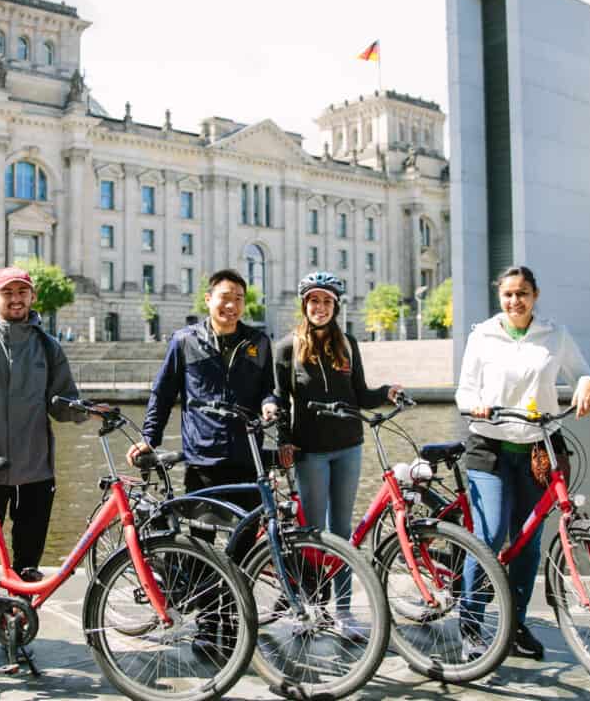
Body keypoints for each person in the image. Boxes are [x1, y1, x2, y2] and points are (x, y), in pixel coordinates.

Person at [456, 265, 590, 660]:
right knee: (489, 535)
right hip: (491, 445)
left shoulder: (554, 334)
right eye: (508, 295)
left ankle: (516, 624)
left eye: (522, 294)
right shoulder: (483, 335)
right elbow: (464, 391)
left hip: (539, 448)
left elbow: (584, 372)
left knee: (527, 543)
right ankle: (471, 626)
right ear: (499, 297)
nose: (515, 301)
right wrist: (476, 407)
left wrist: (586, 386)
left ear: (535, 295)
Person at [271, 272, 401, 638]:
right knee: (312, 536)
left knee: (342, 532)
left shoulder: (348, 345)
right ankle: (311, 608)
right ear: (304, 306)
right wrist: (283, 439)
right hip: (309, 450)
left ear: (335, 306)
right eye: (314, 301)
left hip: (349, 445)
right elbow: (280, 400)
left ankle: (343, 611)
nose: (320, 307)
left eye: (327, 301)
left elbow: (358, 393)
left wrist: (386, 392)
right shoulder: (286, 347)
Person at [0, 266, 87, 581]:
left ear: (33, 296)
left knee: (28, 564)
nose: (16, 299)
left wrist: (84, 410)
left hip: (35, 471)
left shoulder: (49, 347)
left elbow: (61, 403)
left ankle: (18, 624)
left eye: (22, 292)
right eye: (7, 293)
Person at [128, 268, 277, 501]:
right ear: (208, 300)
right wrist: (149, 438)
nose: (232, 306)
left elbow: (268, 388)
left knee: (247, 534)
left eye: (238, 299)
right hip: (202, 460)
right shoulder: (185, 341)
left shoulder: (259, 342)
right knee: (200, 536)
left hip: (249, 457)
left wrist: (269, 403)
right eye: (225, 298)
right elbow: (164, 393)